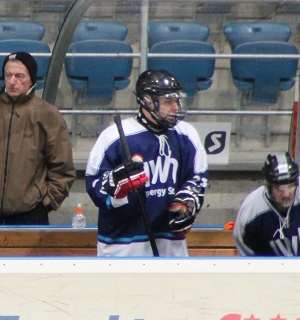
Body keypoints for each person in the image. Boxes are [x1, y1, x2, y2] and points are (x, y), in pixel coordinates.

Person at [86, 70, 209, 257]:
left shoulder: (187, 134)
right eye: (168, 101)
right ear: (147, 101)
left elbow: (197, 177)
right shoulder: (113, 136)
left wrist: (187, 203)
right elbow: (94, 185)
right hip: (122, 246)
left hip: (170, 245)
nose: (175, 107)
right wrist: (116, 184)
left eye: (177, 101)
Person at [0, 51, 75, 225]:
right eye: (8, 75)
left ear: (32, 79)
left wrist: (47, 203)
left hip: (31, 213)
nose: (12, 81)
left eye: (19, 76)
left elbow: (62, 167)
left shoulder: (48, 115)